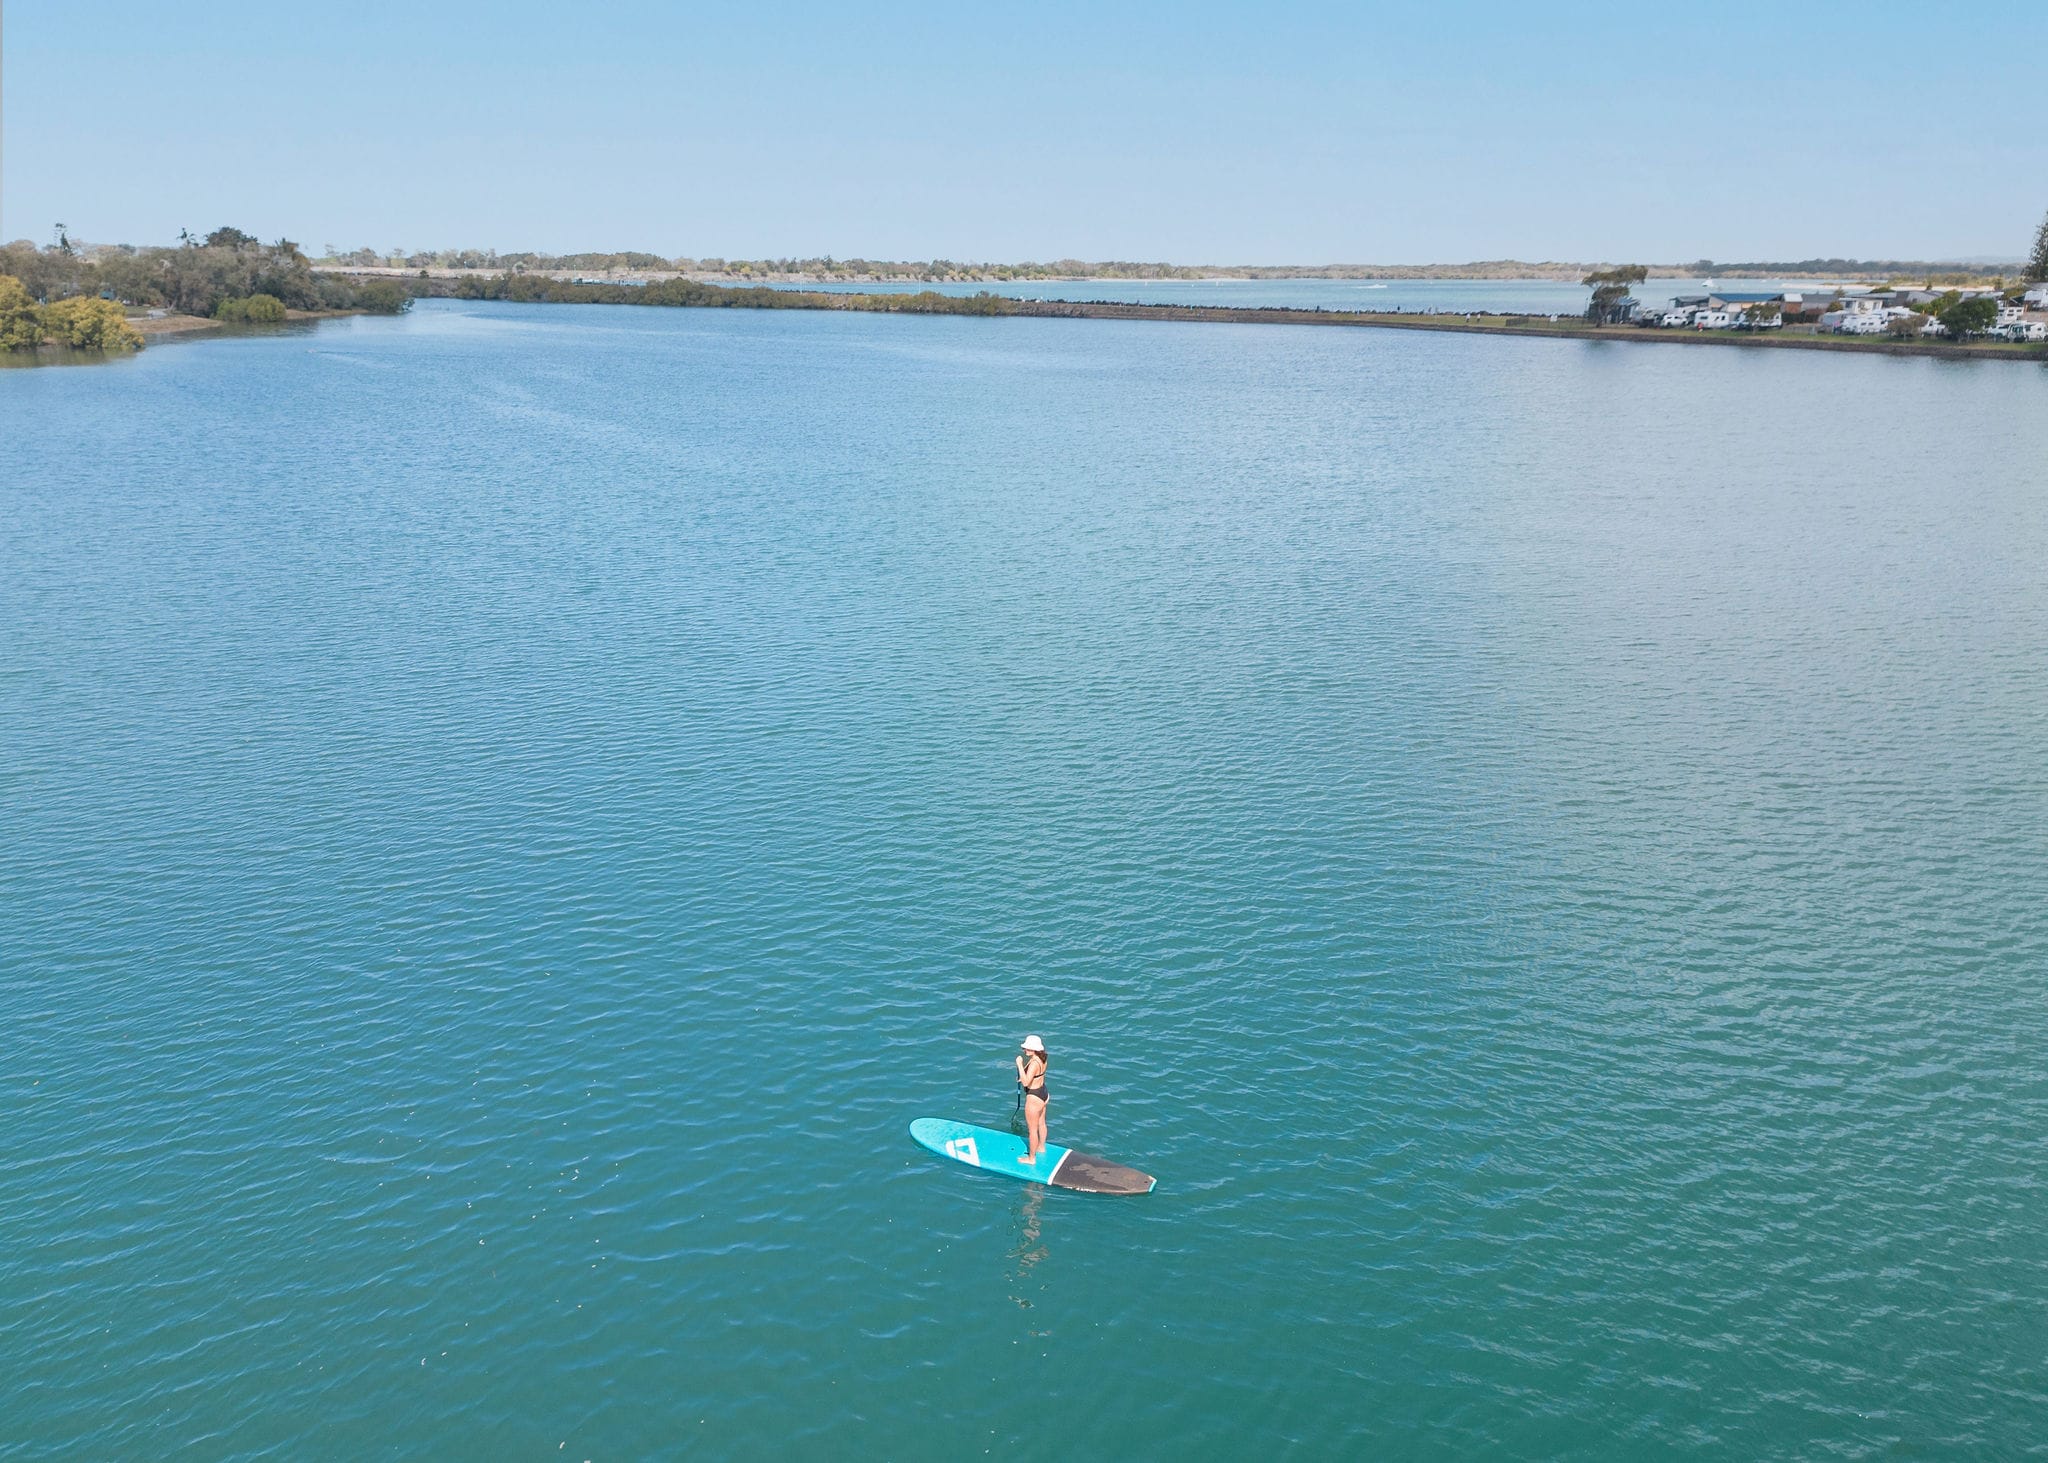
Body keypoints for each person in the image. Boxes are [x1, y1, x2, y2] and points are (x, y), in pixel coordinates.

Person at [1014, 1035, 1049, 1166]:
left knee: (1032, 1130)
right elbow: (1033, 1076)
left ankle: (1031, 1158)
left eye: (1027, 1048)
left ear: (1034, 1049)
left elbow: (1026, 1082)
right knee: (1042, 1123)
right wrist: (1023, 1073)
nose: (1024, 1049)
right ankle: (1041, 1147)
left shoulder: (1034, 1063)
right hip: (1043, 1093)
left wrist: (1019, 1065)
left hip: (1034, 1098)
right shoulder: (1042, 1059)